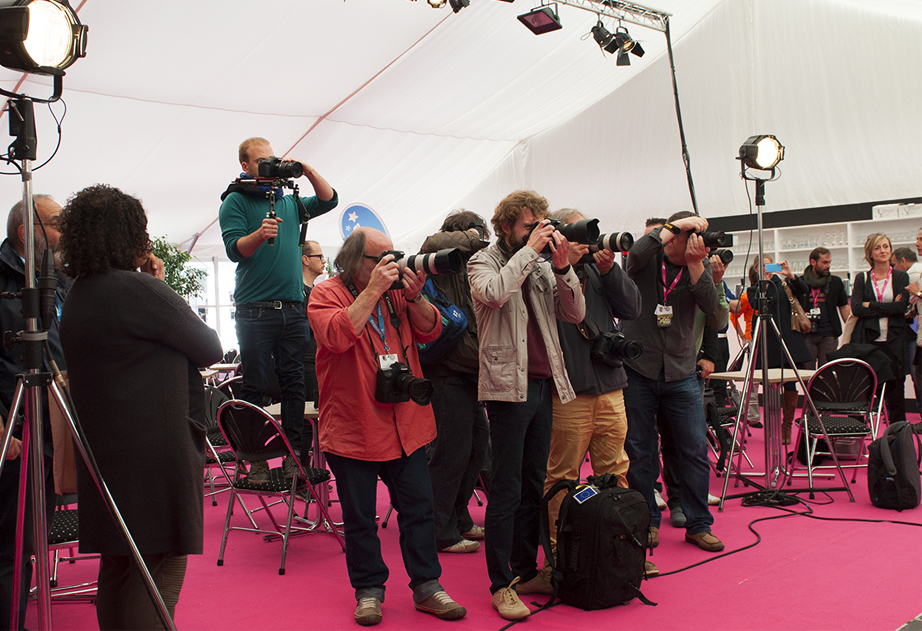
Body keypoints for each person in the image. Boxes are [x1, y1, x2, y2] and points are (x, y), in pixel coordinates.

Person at [58, 184, 223, 630]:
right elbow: (210, 347)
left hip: (108, 451)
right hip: (154, 451)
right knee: (158, 571)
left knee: (119, 566)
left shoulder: (81, 293)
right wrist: (156, 287)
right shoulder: (134, 289)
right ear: (126, 234)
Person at [307, 227, 465, 626]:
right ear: (353, 261)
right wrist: (374, 291)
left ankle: (428, 587)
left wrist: (414, 296)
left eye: (391, 256)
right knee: (361, 518)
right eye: (378, 259)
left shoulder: (397, 292)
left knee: (419, 511)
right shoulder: (325, 292)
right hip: (354, 427)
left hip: (405, 424)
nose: (388, 264)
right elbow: (338, 335)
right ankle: (369, 592)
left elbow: (433, 329)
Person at [467, 190, 585, 621]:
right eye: (527, 226)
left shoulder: (538, 263)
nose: (536, 232)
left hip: (541, 384)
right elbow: (494, 295)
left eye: (540, 224)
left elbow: (573, 314)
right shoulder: (483, 261)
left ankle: (524, 570)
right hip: (505, 388)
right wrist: (531, 252)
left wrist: (563, 266)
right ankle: (500, 584)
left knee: (533, 483)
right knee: (506, 487)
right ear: (504, 227)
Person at [218, 137, 337, 482]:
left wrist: (308, 170)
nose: (268, 167)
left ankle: (293, 459)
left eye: (272, 160)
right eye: (261, 163)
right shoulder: (235, 201)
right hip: (254, 310)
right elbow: (233, 250)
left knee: (294, 384)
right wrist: (258, 235)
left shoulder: (288, 199)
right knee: (254, 385)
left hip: (293, 308)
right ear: (245, 166)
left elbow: (329, 199)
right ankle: (254, 462)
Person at [622, 211, 724, 554]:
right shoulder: (647, 261)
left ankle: (698, 524)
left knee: (694, 450)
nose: (698, 241)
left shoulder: (700, 266)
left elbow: (717, 315)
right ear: (674, 235)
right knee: (638, 449)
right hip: (639, 368)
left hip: (681, 372)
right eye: (690, 234)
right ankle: (646, 521)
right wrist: (672, 228)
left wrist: (698, 267)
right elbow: (633, 255)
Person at [543, 208, 641, 564]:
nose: (587, 239)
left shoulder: (598, 271)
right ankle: (557, 555)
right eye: (579, 231)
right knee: (561, 476)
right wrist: (562, 264)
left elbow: (631, 308)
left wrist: (609, 270)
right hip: (570, 391)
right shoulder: (546, 270)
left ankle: (621, 549)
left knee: (615, 471)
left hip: (611, 385)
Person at [0, 195, 66, 631]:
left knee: (28, 543)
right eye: (55, 224)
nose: (63, 233)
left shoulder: (57, 278)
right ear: (28, 232)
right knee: (9, 545)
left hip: (51, 428)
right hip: (14, 429)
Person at [418, 211, 490, 554]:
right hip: (446, 368)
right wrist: (476, 238)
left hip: (469, 368)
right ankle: (439, 530)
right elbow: (435, 241)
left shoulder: (471, 265)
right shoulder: (440, 253)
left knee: (476, 446)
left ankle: (458, 518)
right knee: (449, 452)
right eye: (477, 234)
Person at [747, 256, 812, 445]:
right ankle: (772, 424)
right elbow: (757, 304)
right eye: (762, 266)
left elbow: (804, 291)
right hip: (768, 341)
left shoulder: (784, 284)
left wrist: (790, 275)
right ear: (756, 269)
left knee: (790, 384)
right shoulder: (755, 289)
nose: (766, 269)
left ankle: (787, 425)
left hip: (790, 339)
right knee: (769, 385)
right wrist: (764, 284)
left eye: (769, 265)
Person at [850, 233, 910, 424]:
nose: (883, 251)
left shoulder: (900, 276)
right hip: (868, 343)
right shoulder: (863, 278)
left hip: (894, 342)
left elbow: (901, 307)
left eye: (886, 246)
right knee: (864, 393)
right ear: (870, 253)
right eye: (878, 247)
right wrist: (888, 307)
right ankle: (856, 441)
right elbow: (857, 308)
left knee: (896, 395)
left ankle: (898, 441)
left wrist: (872, 305)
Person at [799, 247, 850, 369]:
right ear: (813, 262)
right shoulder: (801, 282)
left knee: (827, 372)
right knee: (807, 373)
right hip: (807, 334)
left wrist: (850, 329)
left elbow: (843, 306)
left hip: (830, 334)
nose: (828, 266)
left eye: (829, 262)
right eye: (825, 262)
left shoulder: (835, 282)